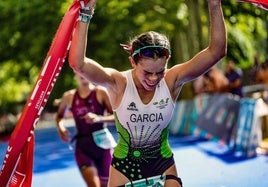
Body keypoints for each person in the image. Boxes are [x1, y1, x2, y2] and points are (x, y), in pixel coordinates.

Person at [69, 0, 226, 186]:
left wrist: (215, 5)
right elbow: (78, 64)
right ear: (133, 62)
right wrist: (85, 13)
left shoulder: (172, 80)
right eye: (147, 72)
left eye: (160, 71)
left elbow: (217, 51)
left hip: (163, 165)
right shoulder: (118, 83)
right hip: (125, 168)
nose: (153, 79)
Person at [55, 72, 116, 187]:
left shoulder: (101, 92)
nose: (82, 75)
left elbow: (116, 117)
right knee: (93, 184)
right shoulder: (69, 96)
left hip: (103, 146)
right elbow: (59, 117)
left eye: (84, 71)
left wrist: (99, 119)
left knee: (106, 185)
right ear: (75, 76)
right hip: (83, 146)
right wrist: (61, 127)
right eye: (79, 72)